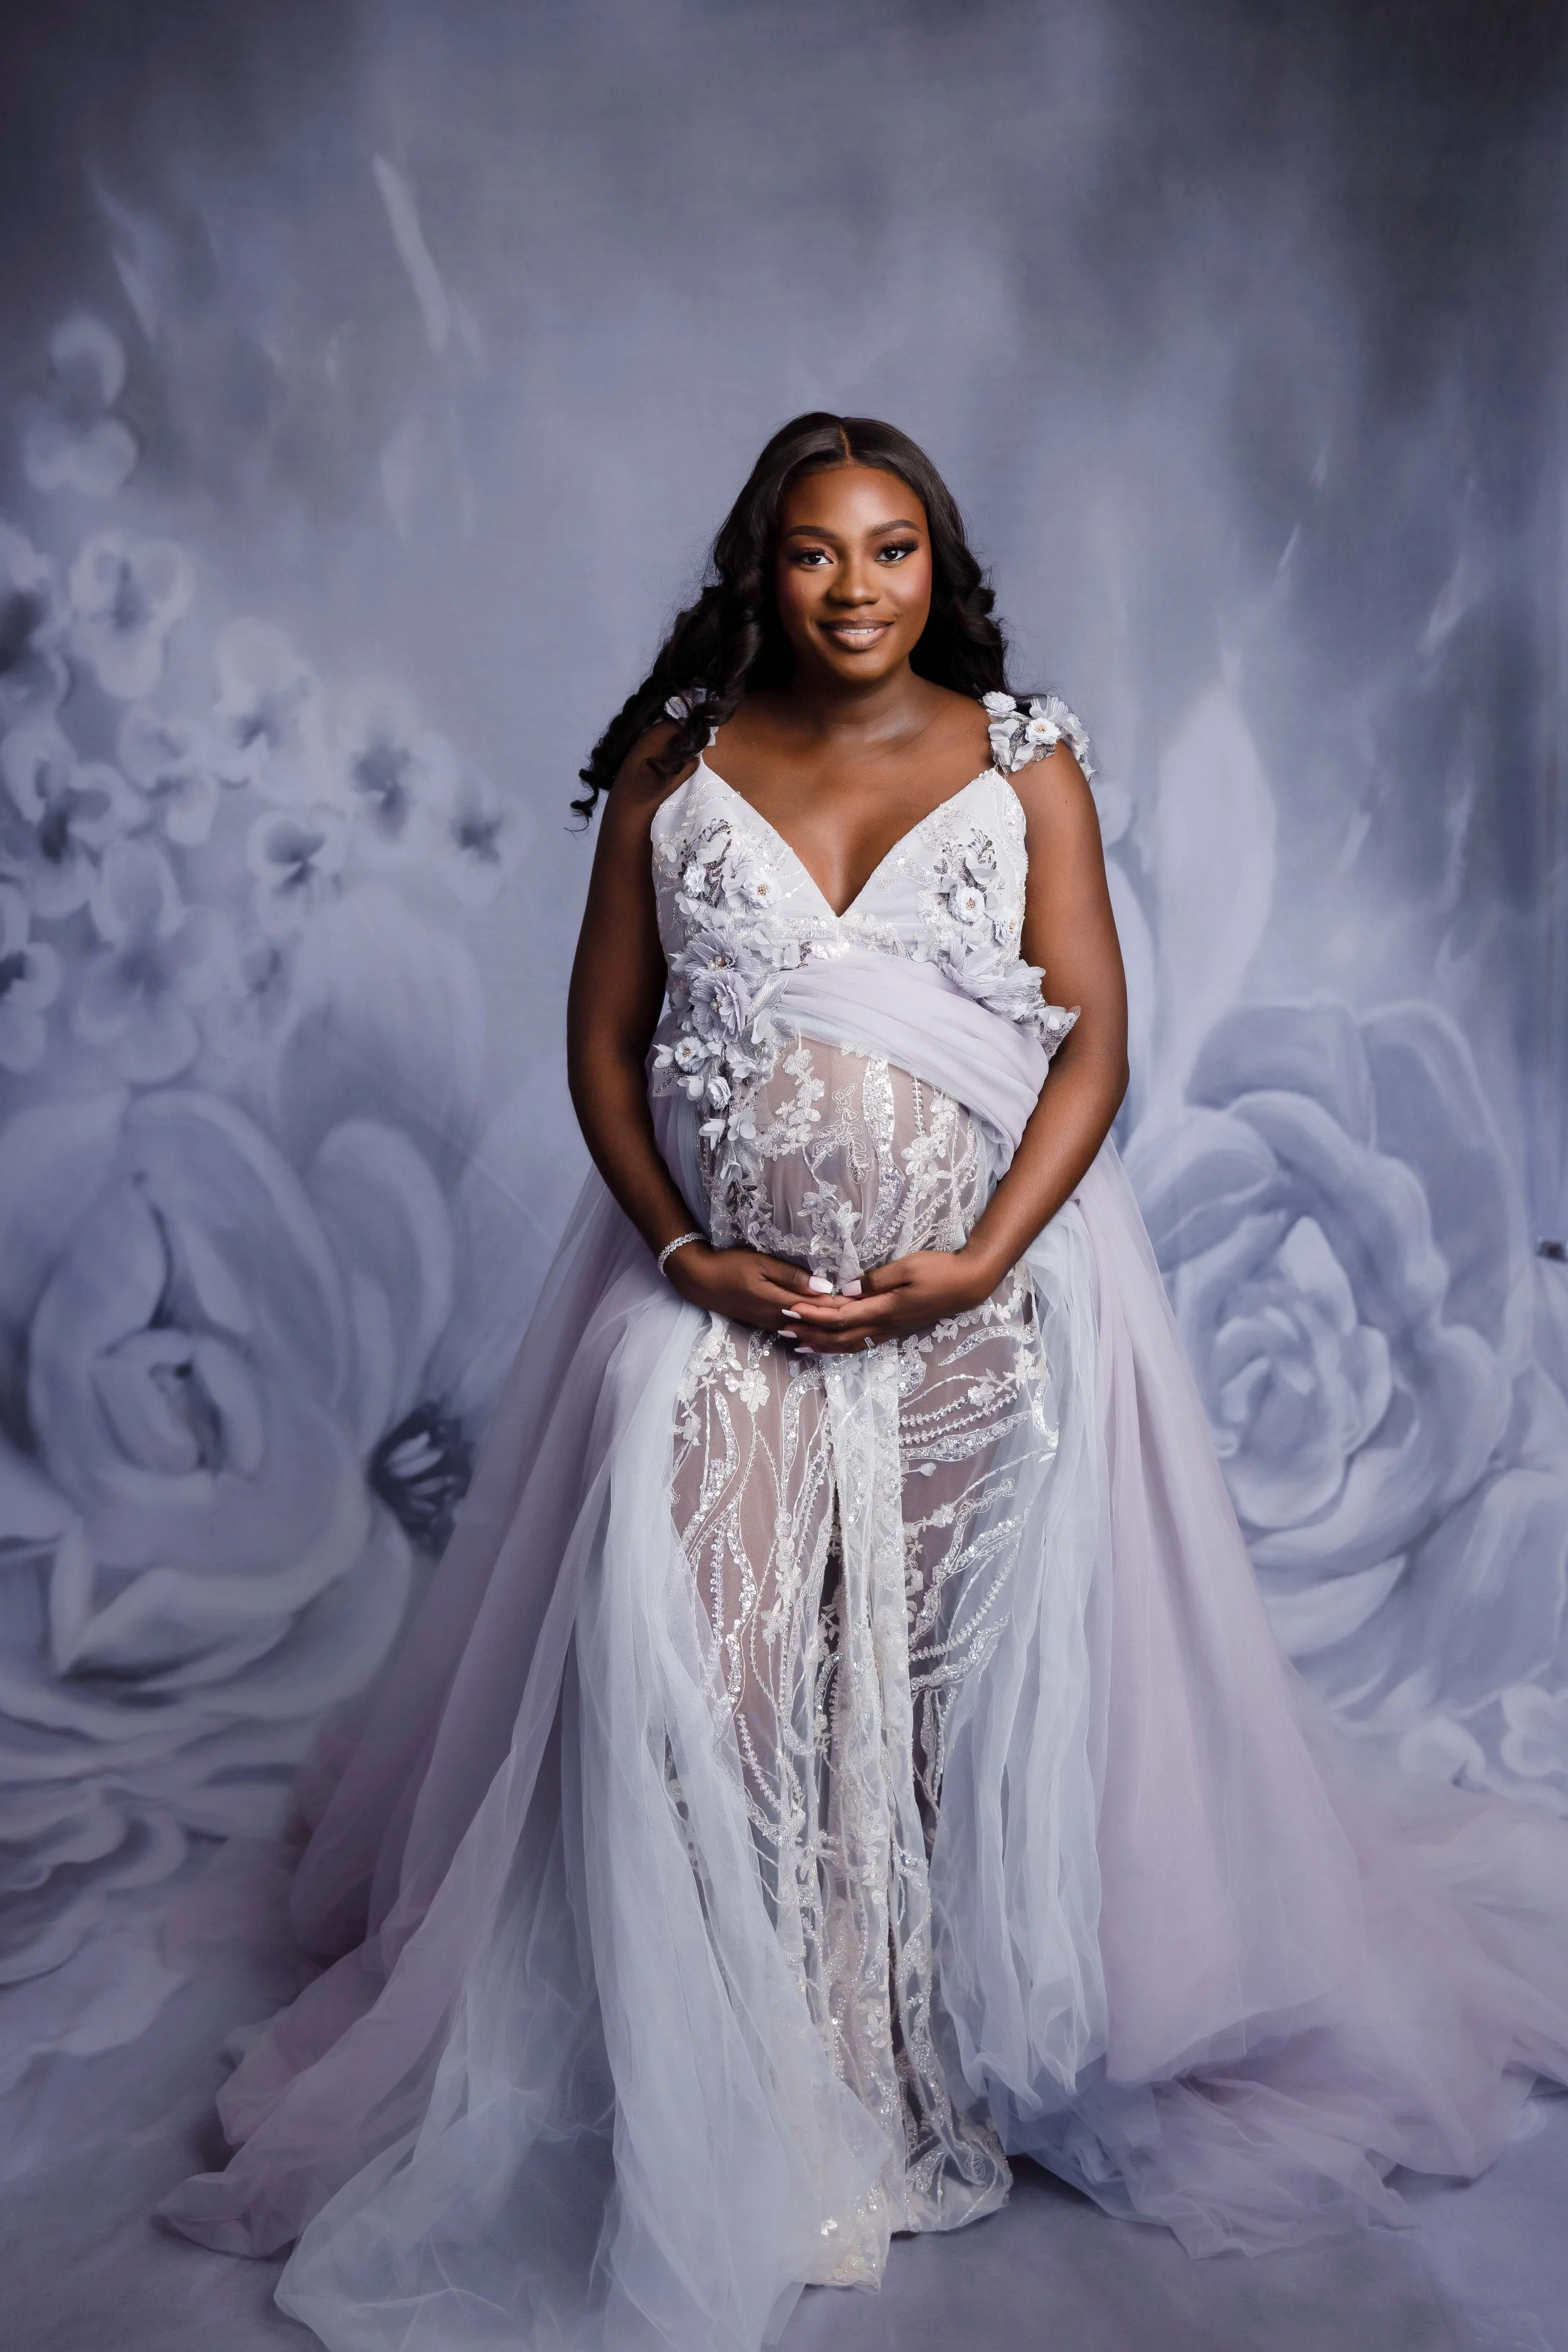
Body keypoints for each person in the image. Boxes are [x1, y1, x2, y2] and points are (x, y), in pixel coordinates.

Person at [159, 415, 1568, 2352]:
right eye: (815, 550)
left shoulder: (1020, 759)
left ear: (936, 564)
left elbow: (1091, 1044)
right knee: (702, 1690)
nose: (852, 586)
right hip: (722, 1313)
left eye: (889, 548)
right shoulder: (673, 765)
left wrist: (980, 1258)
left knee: (923, 1708)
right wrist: (683, 1250)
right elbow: (602, 1042)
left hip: (978, 1320)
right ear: (763, 565)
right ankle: (741, 2094)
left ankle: (918, 2069)